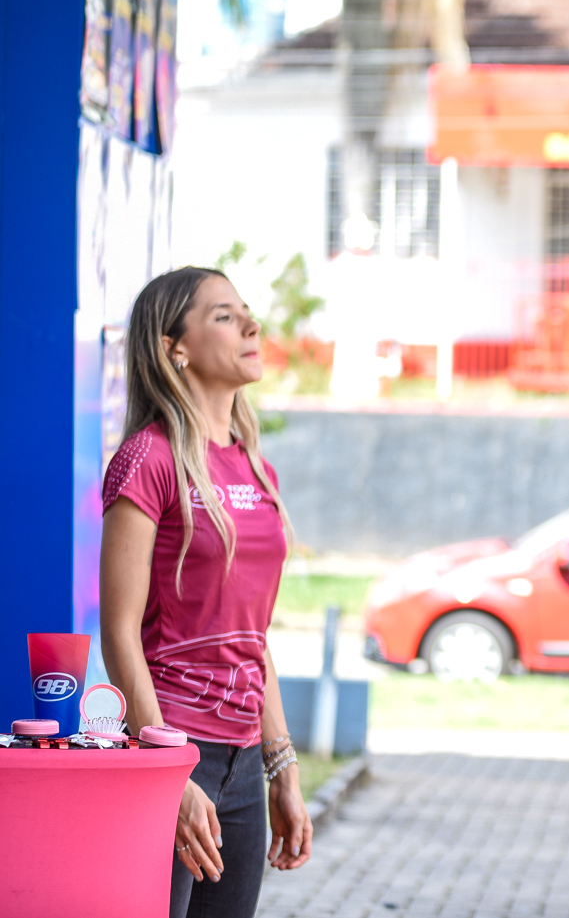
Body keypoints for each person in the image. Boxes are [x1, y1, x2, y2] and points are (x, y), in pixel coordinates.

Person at [100, 267, 311, 918]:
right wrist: (166, 767)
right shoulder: (149, 458)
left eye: (246, 311)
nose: (251, 324)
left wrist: (281, 766)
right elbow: (119, 632)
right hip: (171, 747)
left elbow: (253, 633)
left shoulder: (257, 468)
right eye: (224, 315)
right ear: (175, 348)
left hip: (243, 766)